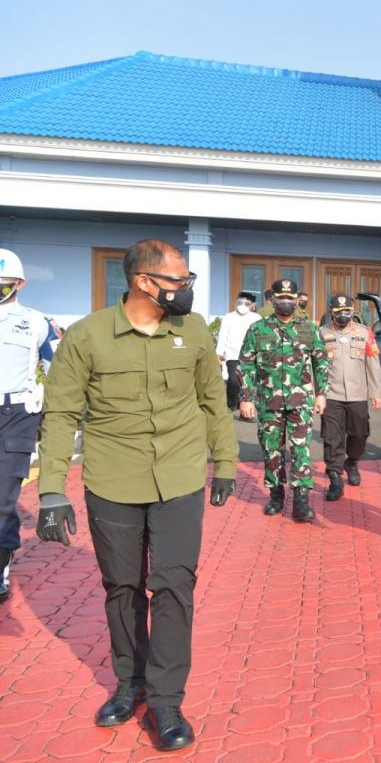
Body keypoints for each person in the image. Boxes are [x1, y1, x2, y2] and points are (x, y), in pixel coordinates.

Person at [36, 239, 237, 751]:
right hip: (112, 479)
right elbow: (60, 414)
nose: (187, 289)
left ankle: (167, 700)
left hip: (179, 477)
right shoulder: (87, 336)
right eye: (179, 280)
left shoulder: (191, 331)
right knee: (122, 588)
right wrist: (52, 490)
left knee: (173, 586)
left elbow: (214, 401)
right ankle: (130, 685)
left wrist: (226, 465)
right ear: (145, 282)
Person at [239, 278, 328, 521]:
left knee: (301, 449)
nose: (286, 303)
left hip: (301, 402)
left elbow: (320, 361)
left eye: (291, 298)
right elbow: (246, 364)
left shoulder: (308, 328)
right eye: (282, 298)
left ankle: (301, 500)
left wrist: (322, 394)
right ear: (273, 300)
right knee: (272, 450)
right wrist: (246, 398)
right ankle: (276, 494)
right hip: (269, 402)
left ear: (297, 299)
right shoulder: (259, 329)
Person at [0, 249, 61, 604]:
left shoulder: (38, 322)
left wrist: (47, 401)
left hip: (14, 415)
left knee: (3, 498)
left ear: (19, 284)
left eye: (3, 285)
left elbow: (60, 371)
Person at [318, 294, 381, 501]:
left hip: (358, 393)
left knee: (360, 433)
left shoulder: (364, 333)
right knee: (332, 437)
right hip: (331, 394)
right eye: (339, 313)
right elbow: (314, 366)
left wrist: (376, 392)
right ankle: (335, 477)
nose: (343, 316)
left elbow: (372, 363)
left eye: (347, 312)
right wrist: (316, 394)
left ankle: (352, 461)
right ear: (331, 312)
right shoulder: (321, 333)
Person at [215, 291, 261, 412]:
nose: (242, 305)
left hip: (251, 356)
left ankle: (244, 406)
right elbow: (222, 336)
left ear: (252, 305)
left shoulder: (256, 318)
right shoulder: (228, 317)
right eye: (240, 302)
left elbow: (260, 338)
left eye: (246, 303)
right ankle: (231, 404)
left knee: (247, 382)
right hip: (232, 355)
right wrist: (219, 353)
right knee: (233, 381)